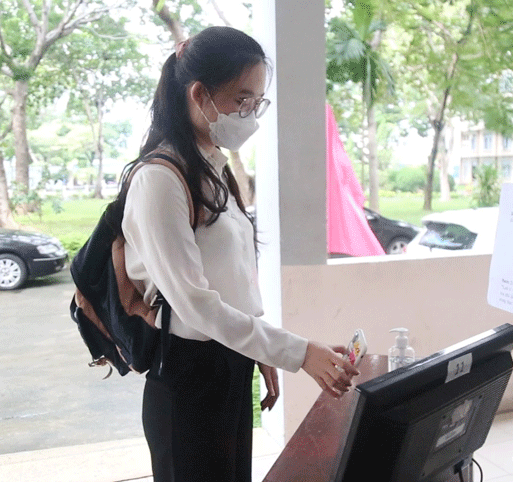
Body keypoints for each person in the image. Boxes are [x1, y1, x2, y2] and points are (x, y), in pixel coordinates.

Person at [114, 26, 360, 482]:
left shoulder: (214, 169)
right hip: (187, 378)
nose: (250, 114)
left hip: (229, 364)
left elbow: (233, 279)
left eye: (256, 102)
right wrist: (298, 352)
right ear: (199, 94)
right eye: (241, 99)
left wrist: (261, 349)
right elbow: (195, 305)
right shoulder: (159, 180)